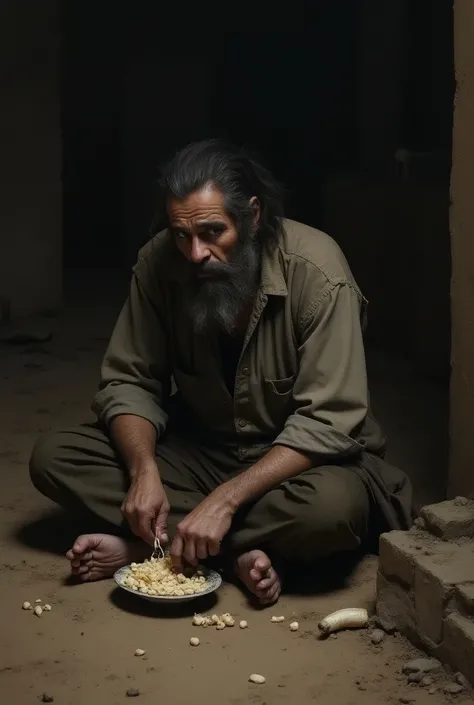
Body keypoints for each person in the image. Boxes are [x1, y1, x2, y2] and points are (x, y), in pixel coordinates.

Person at [29, 139, 413, 605]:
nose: (195, 253)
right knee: (55, 457)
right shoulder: (160, 263)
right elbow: (129, 382)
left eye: (212, 232)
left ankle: (151, 546)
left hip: (298, 467)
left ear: (252, 216)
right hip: (202, 448)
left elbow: (329, 423)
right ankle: (231, 554)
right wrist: (144, 469)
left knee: (329, 512)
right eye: (181, 235)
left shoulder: (317, 271)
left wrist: (227, 500)